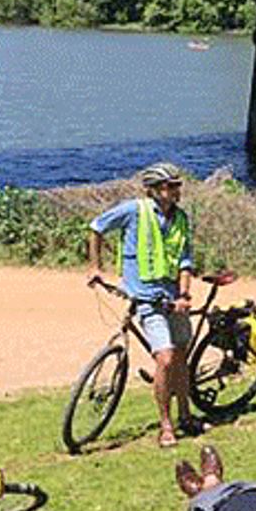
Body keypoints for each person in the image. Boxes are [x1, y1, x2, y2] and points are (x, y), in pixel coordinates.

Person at [88, 161, 197, 448]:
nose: (175, 191)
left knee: (182, 356)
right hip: (146, 299)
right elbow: (96, 227)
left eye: (177, 186)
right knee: (165, 358)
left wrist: (184, 295)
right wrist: (95, 268)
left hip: (173, 296)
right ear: (153, 190)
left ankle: (186, 414)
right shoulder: (133, 211)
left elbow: (185, 261)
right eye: (169, 187)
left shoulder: (182, 219)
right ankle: (166, 425)